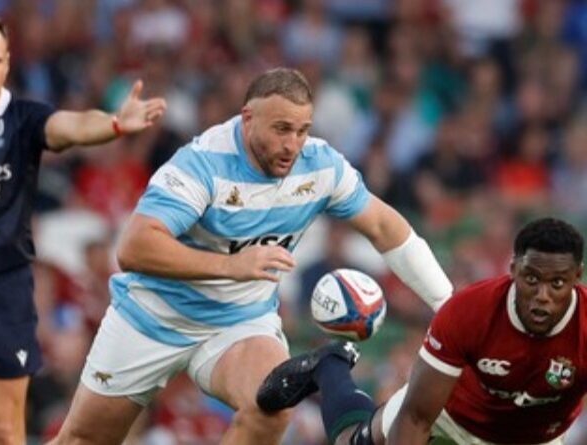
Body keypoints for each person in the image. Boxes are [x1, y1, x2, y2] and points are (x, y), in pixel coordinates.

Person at [49, 67, 453, 445]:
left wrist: (448, 305)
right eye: (281, 129)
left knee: (272, 406)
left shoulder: (321, 166)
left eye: (302, 130)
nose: (292, 144)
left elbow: (384, 226)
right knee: (85, 439)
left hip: (241, 321)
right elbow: (134, 247)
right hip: (154, 316)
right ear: (247, 118)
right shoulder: (201, 163)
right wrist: (230, 265)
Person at [0, 11, 166, 445]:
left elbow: (69, 127)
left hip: (5, 286)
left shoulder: (23, 118)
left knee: (2, 425)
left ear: (7, 62)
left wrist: (112, 123)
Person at [257, 216, 587, 445]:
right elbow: (415, 417)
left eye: (558, 283)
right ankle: (330, 367)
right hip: (453, 415)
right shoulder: (469, 312)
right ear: (513, 269)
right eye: (532, 279)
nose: (542, 295)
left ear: (577, 277)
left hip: (534, 439)